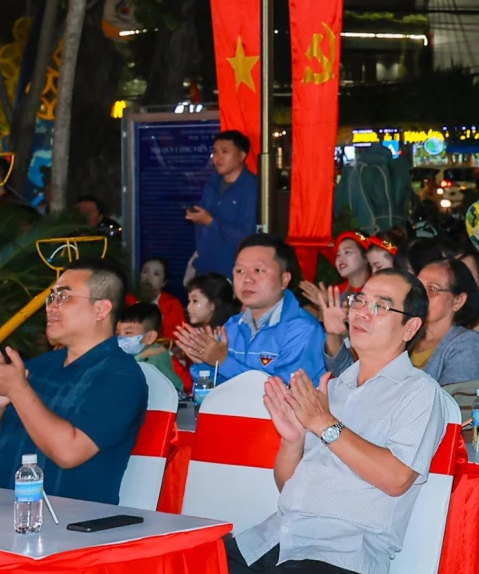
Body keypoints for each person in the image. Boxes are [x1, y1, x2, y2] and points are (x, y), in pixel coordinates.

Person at [227, 268, 453, 574]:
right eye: (360, 301)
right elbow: (288, 484)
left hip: (340, 554)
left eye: (381, 306)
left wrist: (326, 424)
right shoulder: (338, 386)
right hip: (278, 535)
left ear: (411, 327)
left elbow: (396, 478)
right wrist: (294, 439)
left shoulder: (420, 393)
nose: (363, 312)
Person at [0, 264, 149, 503]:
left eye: (64, 297)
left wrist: (17, 390)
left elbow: (68, 452)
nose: (52, 306)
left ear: (101, 309)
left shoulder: (121, 377)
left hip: (67, 525)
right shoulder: (40, 366)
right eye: (52, 297)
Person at [174, 234, 324, 384]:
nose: (247, 279)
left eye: (258, 270)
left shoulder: (303, 330)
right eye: (239, 271)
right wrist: (203, 362)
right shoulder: (231, 327)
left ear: (284, 280)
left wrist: (223, 361)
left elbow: (285, 394)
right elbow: (210, 393)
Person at [405, 259, 479, 385]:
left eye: (432, 289)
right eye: (418, 287)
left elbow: (455, 400)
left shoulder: (467, 343)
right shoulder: (407, 332)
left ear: (458, 300)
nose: (421, 296)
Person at [186, 130, 260, 279]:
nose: (218, 157)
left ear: (242, 156)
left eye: (224, 151)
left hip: (235, 273)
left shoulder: (252, 187)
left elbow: (248, 236)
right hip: (206, 269)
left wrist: (210, 222)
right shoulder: (212, 183)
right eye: (215, 152)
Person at [115, 302, 187, 391]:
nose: (121, 338)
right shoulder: (130, 356)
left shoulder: (154, 362)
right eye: (117, 333)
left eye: (128, 333)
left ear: (150, 337)